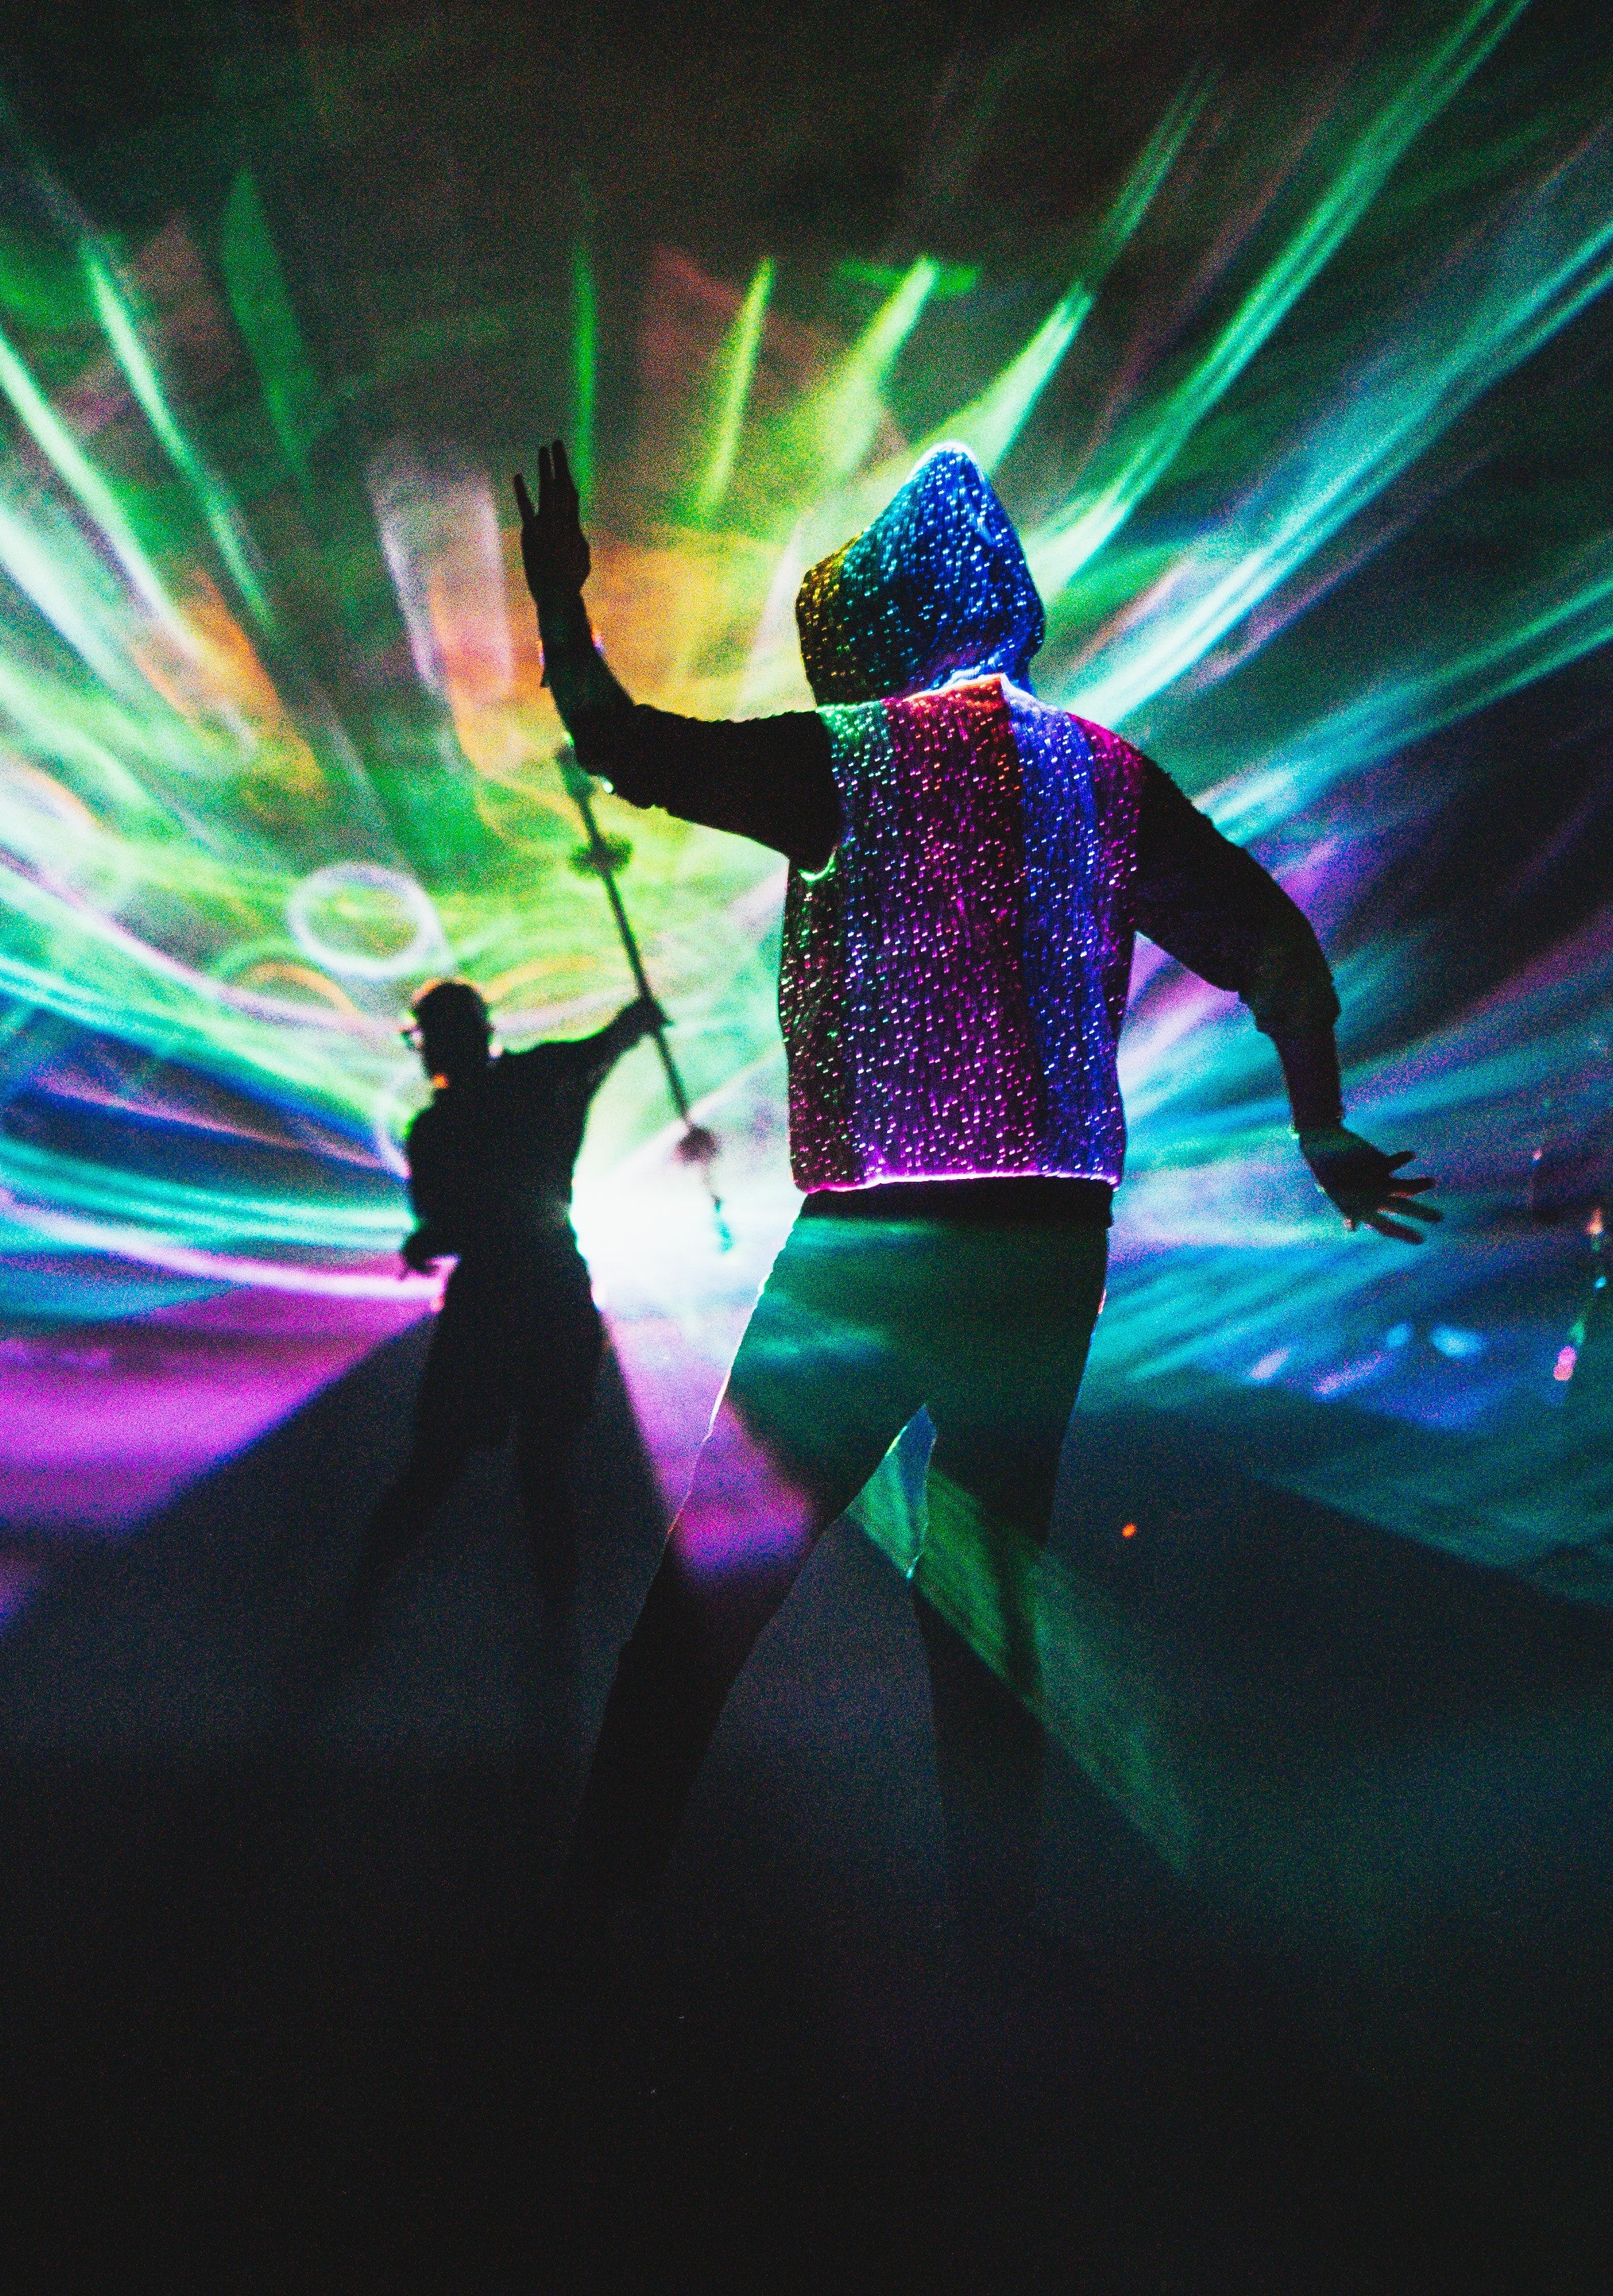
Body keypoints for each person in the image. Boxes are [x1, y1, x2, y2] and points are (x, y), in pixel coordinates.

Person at [511, 436, 1434, 1941]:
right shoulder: (1105, 774)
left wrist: (562, 611)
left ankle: (595, 1910)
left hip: (878, 1237)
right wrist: (1320, 1128)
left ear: (885, 617)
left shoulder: (848, 759)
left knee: (718, 1581)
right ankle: (1002, 1939)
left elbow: (624, 744)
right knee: (993, 1588)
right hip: (1050, 1243)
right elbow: (1276, 948)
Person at [356, 976, 662, 1615]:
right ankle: (561, 1627)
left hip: (492, 1302)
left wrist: (426, 1244)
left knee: (441, 1463)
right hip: (551, 1289)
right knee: (541, 1465)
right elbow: (605, 1047)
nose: (426, 1053)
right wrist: (635, 1023)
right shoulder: (539, 1079)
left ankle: (360, 1601)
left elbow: (450, 1223)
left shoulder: (436, 1130)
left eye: (429, 1038)